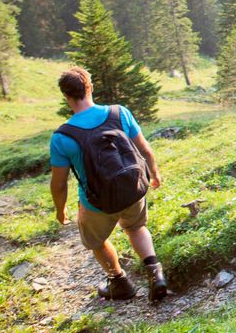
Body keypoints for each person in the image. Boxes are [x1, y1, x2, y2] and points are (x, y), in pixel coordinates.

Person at [49, 67, 168, 302]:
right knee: (136, 227)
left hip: (96, 204)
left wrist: (60, 208)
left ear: (66, 96)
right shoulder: (119, 113)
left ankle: (119, 281)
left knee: (97, 241)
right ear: (90, 87)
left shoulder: (62, 137)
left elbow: (59, 183)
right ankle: (155, 274)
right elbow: (144, 149)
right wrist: (153, 173)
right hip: (133, 189)